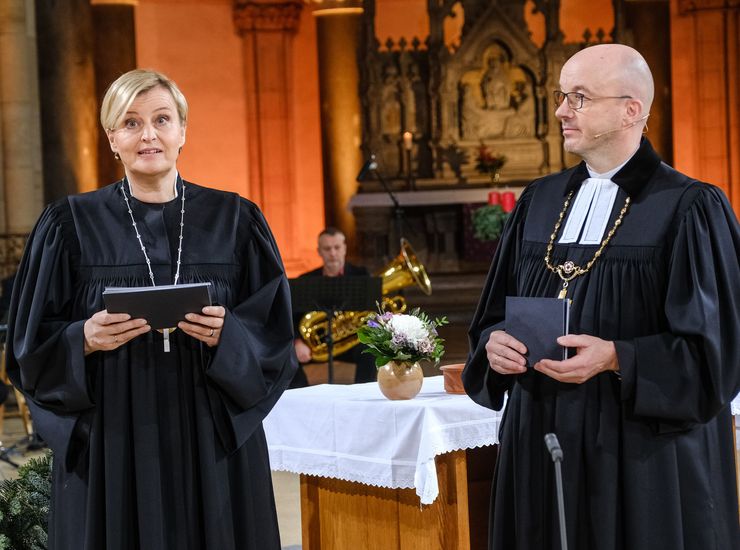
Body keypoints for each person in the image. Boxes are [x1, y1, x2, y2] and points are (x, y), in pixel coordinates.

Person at [463, 44, 740, 550]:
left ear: (631, 109)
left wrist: (618, 356)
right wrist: (493, 345)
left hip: (636, 457)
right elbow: (491, 318)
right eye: (562, 95)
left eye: (580, 98)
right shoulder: (537, 201)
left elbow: (715, 355)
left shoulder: (690, 207)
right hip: (539, 440)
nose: (561, 111)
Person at [5, 69, 296, 549]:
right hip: (112, 437)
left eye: (162, 119)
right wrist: (82, 339)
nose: (148, 135)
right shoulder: (69, 225)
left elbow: (273, 332)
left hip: (210, 430)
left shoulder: (235, 220)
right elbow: (28, 344)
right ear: (112, 139)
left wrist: (230, 335)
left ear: (183, 131)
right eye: (131, 123)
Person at [291, 227, 377, 386]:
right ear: (319, 251)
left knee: (370, 350)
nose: (332, 253)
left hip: (350, 343)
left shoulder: (362, 275)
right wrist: (297, 342)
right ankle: (303, 404)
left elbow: (373, 311)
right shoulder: (305, 280)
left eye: (337, 247)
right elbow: (291, 317)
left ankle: (363, 399)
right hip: (314, 348)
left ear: (344, 248)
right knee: (286, 358)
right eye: (327, 248)